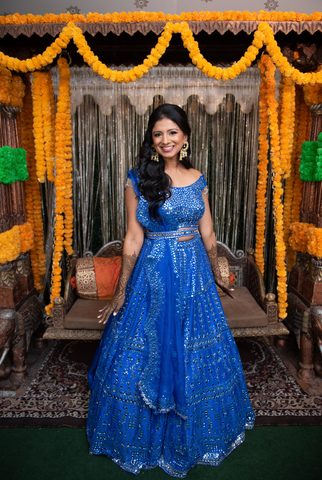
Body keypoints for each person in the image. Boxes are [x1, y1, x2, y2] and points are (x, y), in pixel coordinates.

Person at [86, 104, 255, 477]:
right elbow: (132, 239)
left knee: (195, 346)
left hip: (195, 275)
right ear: (152, 139)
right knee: (147, 349)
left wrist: (219, 273)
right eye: (159, 133)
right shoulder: (138, 180)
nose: (166, 140)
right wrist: (120, 291)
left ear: (186, 138)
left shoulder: (198, 179)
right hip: (153, 274)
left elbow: (208, 233)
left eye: (173, 133)